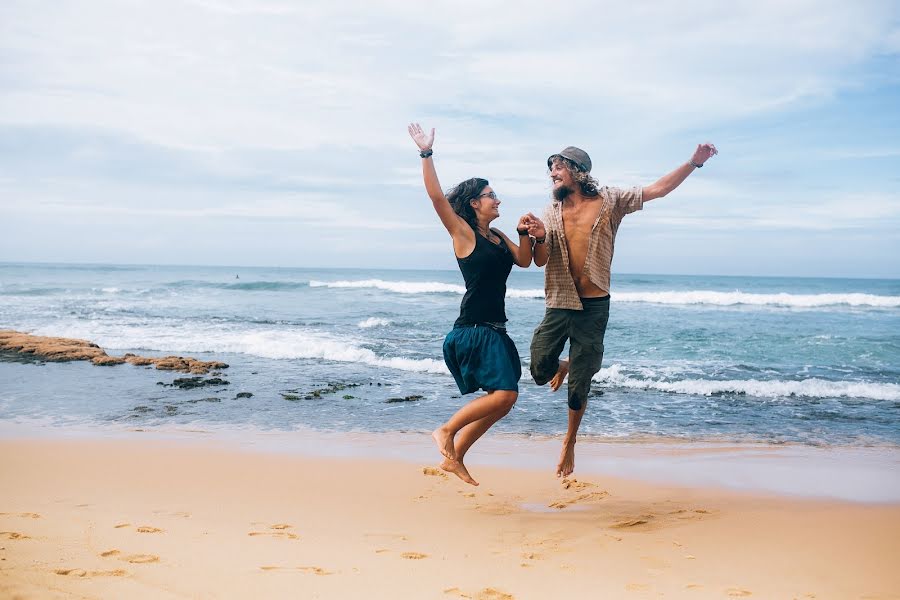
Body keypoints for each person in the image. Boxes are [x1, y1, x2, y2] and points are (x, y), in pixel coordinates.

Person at [525, 142, 718, 478]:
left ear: (578, 171)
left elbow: (658, 190)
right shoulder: (550, 212)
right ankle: (567, 363)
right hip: (559, 300)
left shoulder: (610, 200)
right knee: (540, 370)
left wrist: (693, 162)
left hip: (594, 304)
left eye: (558, 167)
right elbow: (540, 260)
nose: (552, 174)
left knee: (579, 385)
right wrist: (540, 237)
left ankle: (569, 441)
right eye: (550, 169)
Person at [407, 122, 535, 486]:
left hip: (495, 329)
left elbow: (525, 261)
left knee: (505, 401)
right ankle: (446, 431)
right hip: (473, 331)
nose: (498, 200)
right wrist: (426, 153)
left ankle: (456, 457)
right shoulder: (463, 232)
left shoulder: (497, 236)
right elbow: (436, 199)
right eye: (491, 195)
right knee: (506, 393)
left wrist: (527, 232)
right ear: (475, 203)